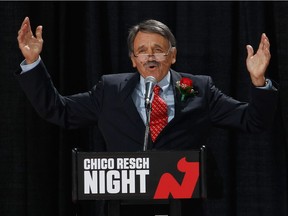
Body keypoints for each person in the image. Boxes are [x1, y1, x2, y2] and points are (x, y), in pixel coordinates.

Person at [16, 17, 278, 216]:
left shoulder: (198, 88)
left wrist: (258, 81)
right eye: (142, 50)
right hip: (123, 206)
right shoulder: (110, 89)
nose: (150, 56)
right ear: (133, 59)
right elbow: (58, 110)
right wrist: (33, 63)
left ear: (172, 55)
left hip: (182, 207)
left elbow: (252, 121)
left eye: (158, 49)